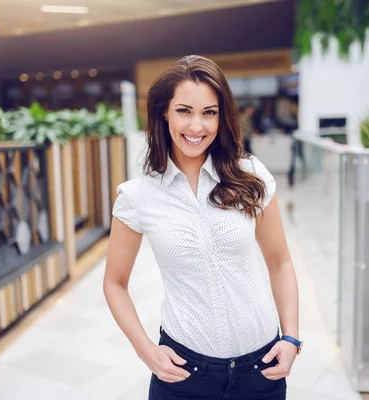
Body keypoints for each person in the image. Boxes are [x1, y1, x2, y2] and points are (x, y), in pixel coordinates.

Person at [103, 55, 302, 400]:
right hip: (185, 376)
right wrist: (146, 350)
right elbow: (114, 283)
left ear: (222, 117)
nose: (197, 126)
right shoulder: (138, 196)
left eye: (209, 112)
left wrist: (291, 338)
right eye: (184, 110)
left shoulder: (250, 174)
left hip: (262, 372)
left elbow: (280, 262)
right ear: (164, 112)